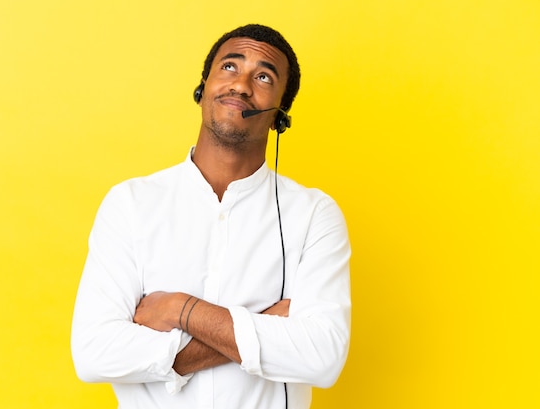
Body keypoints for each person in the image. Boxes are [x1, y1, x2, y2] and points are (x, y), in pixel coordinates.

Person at [71, 24, 351, 409]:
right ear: (203, 90)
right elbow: (94, 352)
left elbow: (322, 357)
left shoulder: (315, 215)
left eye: (264, 76)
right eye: (230, 67)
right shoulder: (131, 203)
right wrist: (264, 324)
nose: (241, 85)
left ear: (279, 115)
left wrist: (181, 310)